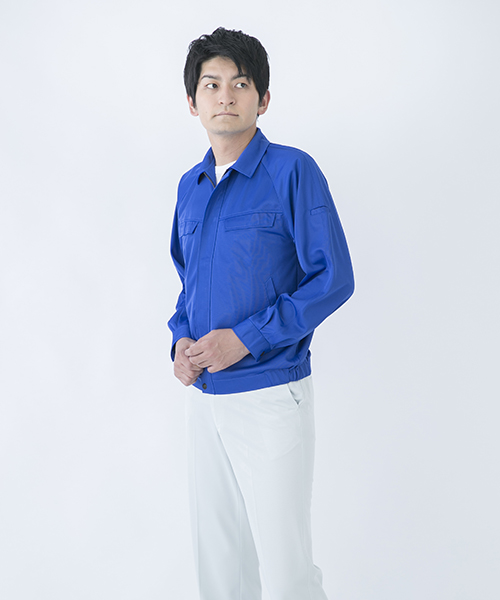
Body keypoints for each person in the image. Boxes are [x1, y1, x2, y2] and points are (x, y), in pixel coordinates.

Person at [168, 27, 354, 600]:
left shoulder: (292, 171)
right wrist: (180, 341)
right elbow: (188, 284)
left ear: (263, 99)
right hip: (204, 401)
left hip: (271, 396)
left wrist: (246, 339)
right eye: (212, 84)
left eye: (240, 84)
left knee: (286, 571)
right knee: (221, 571)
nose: (225, 95)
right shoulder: (190, 186)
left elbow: (333, 278)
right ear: (193, 102)